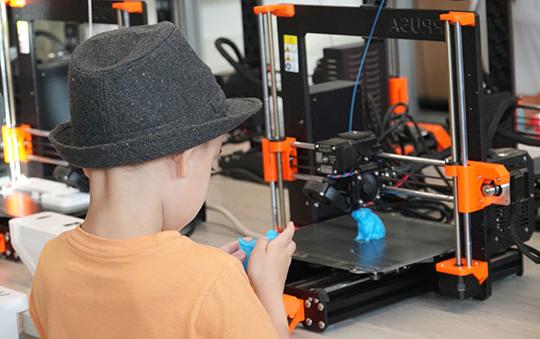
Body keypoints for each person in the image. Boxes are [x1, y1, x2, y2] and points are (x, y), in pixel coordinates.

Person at [29, 22, 295, 339]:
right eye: (211, 164)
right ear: (183, 160)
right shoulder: (212, 280)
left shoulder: (51, 263)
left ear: (87, 164)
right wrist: (266, 292)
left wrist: (197, 275)